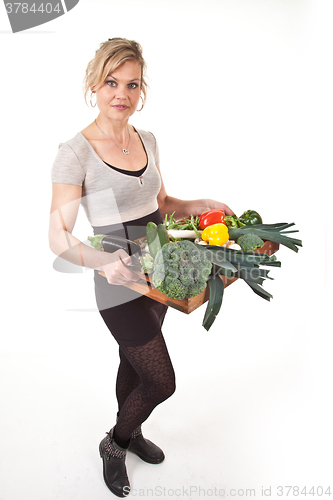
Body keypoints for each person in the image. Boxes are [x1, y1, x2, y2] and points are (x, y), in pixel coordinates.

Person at [49, 37, 234, 498]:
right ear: (94, 83)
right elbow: (58, 236)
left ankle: (128, 434)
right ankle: (114, 443)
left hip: (160, 269)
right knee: (161, 380)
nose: (122, 94)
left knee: (132, 365)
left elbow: (164, 204)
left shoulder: (146, 139)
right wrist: (100, 262)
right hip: (118, 279)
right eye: (112, 82)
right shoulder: (75, 152)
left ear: (141, 89)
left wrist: (200, 204)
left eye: (132, 84)